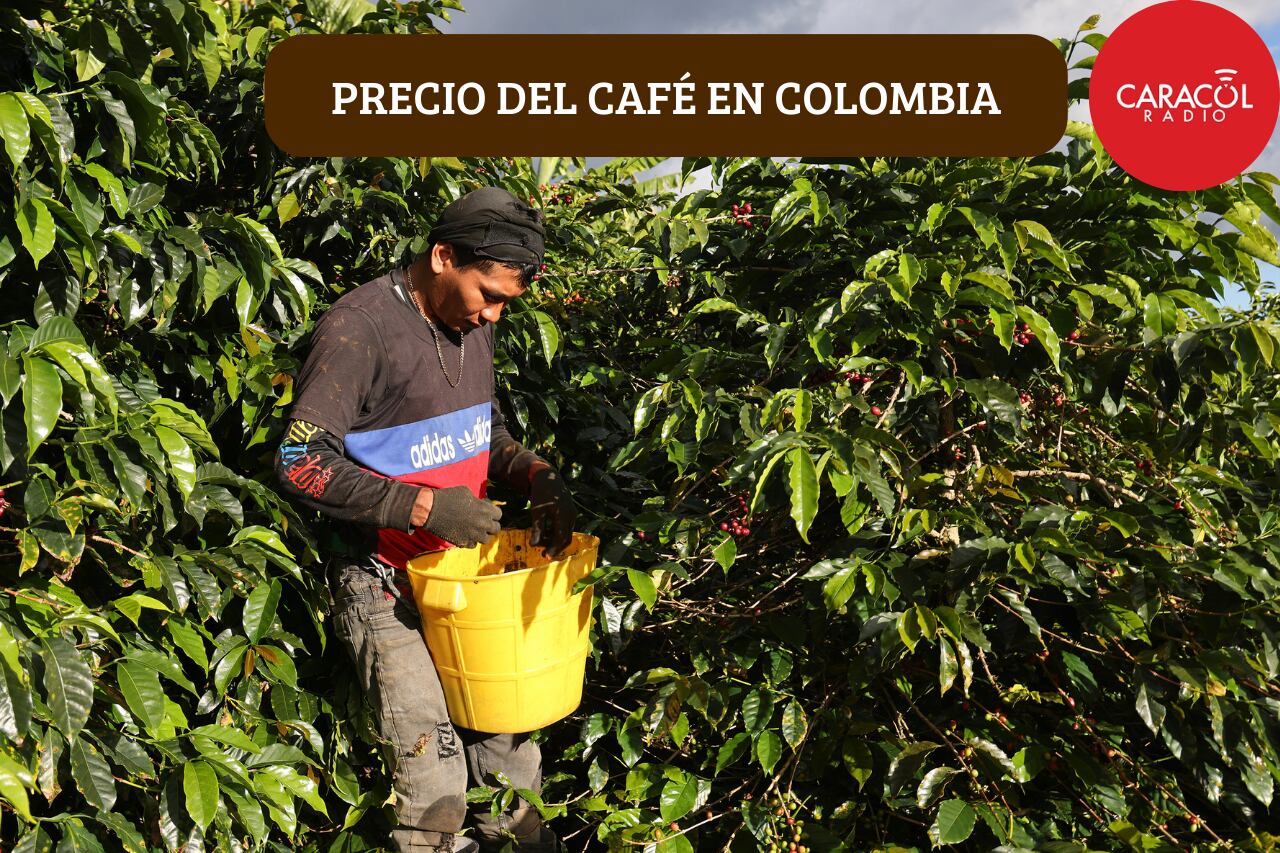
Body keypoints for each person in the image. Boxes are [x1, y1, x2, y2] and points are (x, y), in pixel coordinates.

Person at [274, 187, 576, 852]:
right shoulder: (360, 330)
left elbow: (478, 432)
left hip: (465, 584)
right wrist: (423, 506)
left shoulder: (473, 323)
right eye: (487, 295)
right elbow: (299, 460)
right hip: (385, 584)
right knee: (433, 785)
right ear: (443, 256)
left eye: (505, 302)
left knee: (510, 765)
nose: (494, 314)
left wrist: (534, 472)